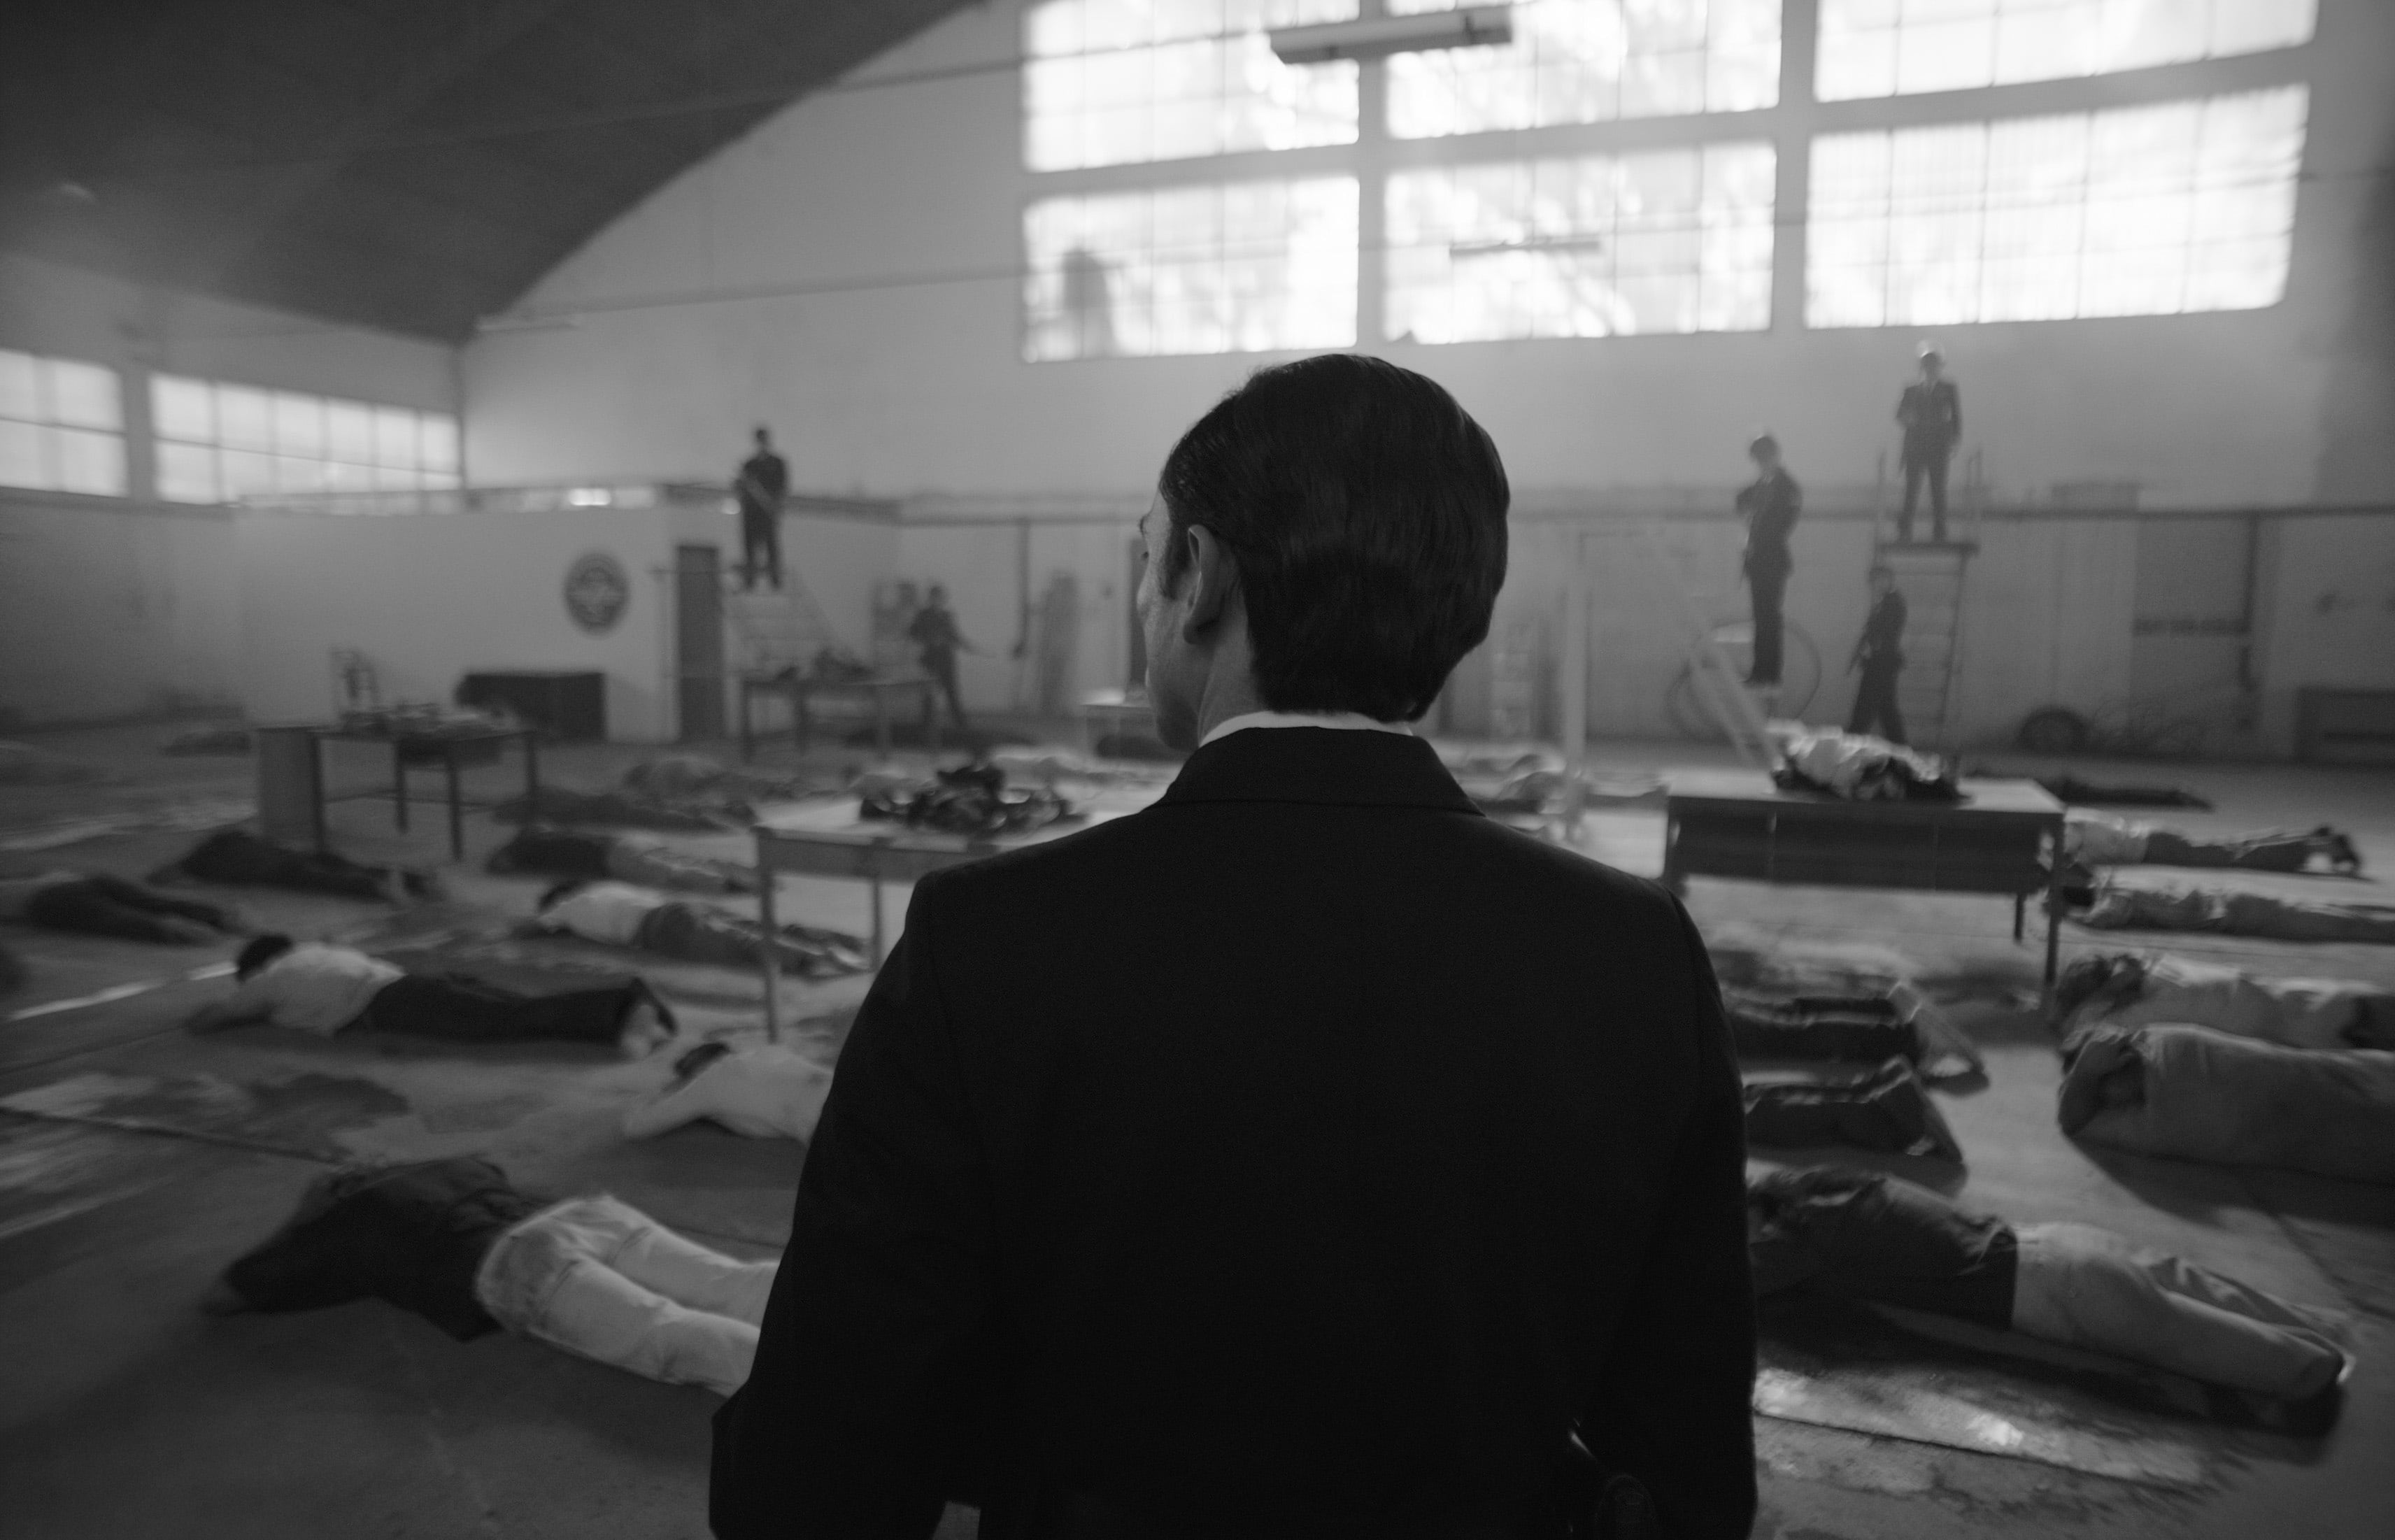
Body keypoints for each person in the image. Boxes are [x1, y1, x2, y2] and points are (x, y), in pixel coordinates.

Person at [714, 355, 1756, 1540]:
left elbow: (813, 1476)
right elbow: (1684, 1474)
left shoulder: (991, 945)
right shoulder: (1633, 961)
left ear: (1199, 576)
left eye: (1147, 556)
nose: (1142, 600)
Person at [1749, 1165, 2347, 1402]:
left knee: (2276, 1365)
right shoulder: (1837, 1186)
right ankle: (2325, 1339)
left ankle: (2322, 1370)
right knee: (2219, 1298)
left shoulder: (1803, 1242)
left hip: (2062, 1292)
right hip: (2063, 1243)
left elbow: (1729, 1286)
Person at [204, 1157, 772, 1397]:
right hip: (586, 1215)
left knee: (664, 1331)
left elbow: (223, 1295)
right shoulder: (453, 1163)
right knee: (729, 1282)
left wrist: (302, 1219)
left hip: (516, 1261)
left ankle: (809, 1390)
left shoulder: (339, 1225)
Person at [184, 934, 677, 1058]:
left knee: (507, 1021)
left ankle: (627, 1006)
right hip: (416, 983)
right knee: (517, 1009)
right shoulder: (316, 951)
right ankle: (626, 1018)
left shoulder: (268, 980)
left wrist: (199, 1010)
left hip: (394, 1002)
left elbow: (212, 1020)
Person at [530, 879, 867, 978]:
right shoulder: (604, 888)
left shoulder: (565, 907)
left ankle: (817, 957)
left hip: (662, 929)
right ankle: (846, 940)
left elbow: (541, 924)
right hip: (679, 906)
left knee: (741, 942)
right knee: (762, 926)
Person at [150, 828, 438, 903]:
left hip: (279, 868)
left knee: (330, 879)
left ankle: (381, 888)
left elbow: (158, 877)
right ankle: (415, 879)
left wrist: (192, 882)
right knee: (347, 867)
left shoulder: (202, 866)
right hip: (291, 857)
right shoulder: (225, 842)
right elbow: (260, 840)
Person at [2062, 809, 2360, 874]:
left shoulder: (2064, 829)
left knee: (2236, 856)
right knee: (2232, 847)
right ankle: (2311, 839)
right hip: (2154, 835)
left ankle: (2321, 845)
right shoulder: (2073, 815)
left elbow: (2066, 856)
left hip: (2154, 847)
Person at [0, 869, 244, 944]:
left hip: (51, 898)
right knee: (154, 902)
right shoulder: (19, 878)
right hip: (81, 879)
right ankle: (222, 918)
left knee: (116, 919)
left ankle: (177, 931)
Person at [486, 826, 758, 894]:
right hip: (627, 841)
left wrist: (509, 860)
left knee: (669, 873)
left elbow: (498, 864)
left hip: (614, 856)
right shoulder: (552, 836)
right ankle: (747, 871)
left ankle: (731, 885)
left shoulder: (524, 846)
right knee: (683, 860)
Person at [1735, 432, 1800, 690]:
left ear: (1773, 456)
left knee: (1769, 618)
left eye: (1762, 459)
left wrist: (1756, 524)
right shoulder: (1764, 484)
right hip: (1759, 560)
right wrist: (1749, 511)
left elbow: (1780, 526)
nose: (1760, 464)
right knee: (1760, 618)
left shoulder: (1786, 486)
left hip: (1772, 559)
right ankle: (1760, 671)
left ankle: (1770, 673)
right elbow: (1741, 499)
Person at [1893, 345, 1962, 542]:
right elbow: (1899, 414)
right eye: (1928, 365)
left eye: (1934, 365)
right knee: (1912, 488)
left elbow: (1956, 416)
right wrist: (1909, 418)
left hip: (1938, 447)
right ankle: (1905, 528)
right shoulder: (1911, 390)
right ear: (1923, 367)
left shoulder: (1948, 389)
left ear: (1939, 367)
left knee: (1938, 489)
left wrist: (1954, 439)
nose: (1931, 369)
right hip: (1915, 446)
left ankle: (1940, 530)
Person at [1845, 564, 1907, 744]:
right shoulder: (1886, 602)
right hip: (1880, 663)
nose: (1875, 585)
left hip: (1881, 664)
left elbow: (1882, 633)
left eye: (1878, 580)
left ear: (1888, 580)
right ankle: (1900, 749)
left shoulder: (1892, 603)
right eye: (1873, 581)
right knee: (1887, 710)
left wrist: (1868, 648)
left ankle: (1851, 744)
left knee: (1865, 708)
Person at [905, 583, 972, 733]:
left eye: (942, 597)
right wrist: (930, 640)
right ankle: (926, 727)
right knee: (929, 694)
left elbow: (953, 634)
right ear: (932, 598)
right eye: (937, 597)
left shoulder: (947, 615)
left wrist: (965, 644)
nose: (940, 600)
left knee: (952, 692)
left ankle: (961, 727)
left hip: (946, 659)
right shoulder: (923, 615)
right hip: (931, 659)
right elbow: (913, 633)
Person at [736, 426, 789, 592]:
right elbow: (743, 488)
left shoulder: (777, 463)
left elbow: (782, 488)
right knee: (750, 546)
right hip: (752, 513)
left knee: (771, 545)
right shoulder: (749, 464)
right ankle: (750, 580)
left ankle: (775, 580)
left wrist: (775, 505)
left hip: (768, 512)